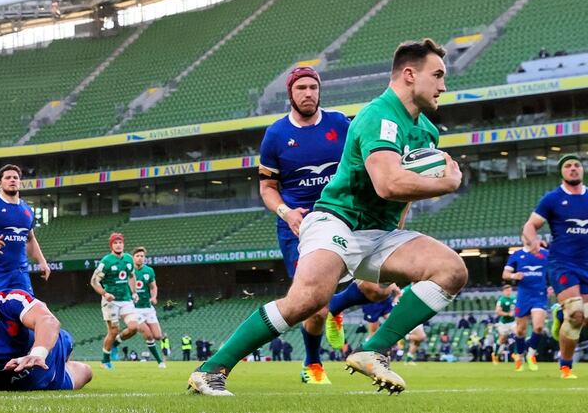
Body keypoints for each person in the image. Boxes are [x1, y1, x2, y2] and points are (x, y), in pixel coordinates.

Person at [189, 38, 465, 396]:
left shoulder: (426, 131)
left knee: (452, 270)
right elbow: (388, 183)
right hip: (337, 221)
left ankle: (373, 350)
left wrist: (397, 241)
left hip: (380, 232)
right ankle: (211, 369)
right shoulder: (378, 115)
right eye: (438, 75)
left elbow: (405, 193)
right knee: (307, 301)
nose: (444, 85)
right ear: (410, 74)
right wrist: (448, 183)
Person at [258, 66, 348, 384]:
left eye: (313, 87)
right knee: (315, 306)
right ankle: (312, 364)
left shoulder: (340, 124)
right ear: (290, 93)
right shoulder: (276, 135)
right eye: (301, 88)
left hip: (343, 218)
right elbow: (267, 188)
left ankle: (339, 303)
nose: (308, 93)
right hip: (299, 228)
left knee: (380, 287)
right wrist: (286, 212)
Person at [522, 153, 588, 379]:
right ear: (561, 171)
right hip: (562, 264)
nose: (573, 169)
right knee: (576, 314)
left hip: (586, 265)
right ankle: (566, 367)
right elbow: (530, 225)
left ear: (582, 169)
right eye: (568, 166)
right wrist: (532, 242)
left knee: (583, 318)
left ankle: (560, 318)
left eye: (576, 165)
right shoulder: (552, 198)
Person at [0, 164, 51, 295]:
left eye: (15, 177)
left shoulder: (27, 210)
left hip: (20, 274)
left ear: (20, 182)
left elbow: (30, 239)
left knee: (25, 312)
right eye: (8, 177)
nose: (12, 180)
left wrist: (42, 261)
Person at [90, 232, 139, 369]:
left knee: (134, 327)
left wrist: (134, 292)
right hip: (110, 301)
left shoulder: (129, 259)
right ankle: (105, 360)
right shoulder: (106, 261)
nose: (118, 245)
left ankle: (116, 343)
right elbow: (94, 281)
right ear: (111, 245)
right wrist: (105, 294)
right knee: (113, 330)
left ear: (123, 244)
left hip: (126, 299)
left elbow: (131, 276)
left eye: (120, 242)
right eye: (115, 243)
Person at [503, 241, 549, 371]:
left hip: (539, 295)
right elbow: (505, 274)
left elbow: (555, 268)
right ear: (523, 237)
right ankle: (520, 356)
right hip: (523, 296)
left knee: (539, 327)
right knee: (520, 330)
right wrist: (513, 275)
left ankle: (531, 354)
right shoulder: (517, 255)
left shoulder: (545, 254)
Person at [132, 246, 166, 368]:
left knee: (157, 336)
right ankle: (160, 362)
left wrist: (154, 297)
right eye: (137, 256)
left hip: (148, 308)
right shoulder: (129, 271)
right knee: (148, 335)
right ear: (133, 257)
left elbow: (153, 287)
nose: (140, 258)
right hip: (134, 310)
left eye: (142, 256)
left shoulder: (149, 271)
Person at [493, 284, 516, 364]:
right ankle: (495, 355)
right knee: (502, 339)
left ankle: (515, 354)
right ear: (503, 292)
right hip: (504, 323)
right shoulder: (501, 300)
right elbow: (497, 311)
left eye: (510, 290)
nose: (508, 292)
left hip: (513, 322)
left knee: (517, 334)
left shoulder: (514, 298)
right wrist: (507, 314)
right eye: (507, 290)